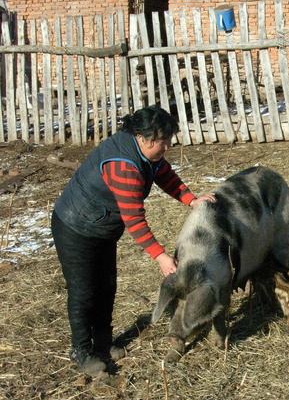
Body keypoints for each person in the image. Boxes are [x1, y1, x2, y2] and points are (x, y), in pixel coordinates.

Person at [51, 106, 214, 376]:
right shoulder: (123, 166)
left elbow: (164, 175)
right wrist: (160, 256)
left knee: (107, 286)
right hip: (75, 226)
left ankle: (103, 343)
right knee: (83, 290)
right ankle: (82, 350)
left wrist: (191, 199)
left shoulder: (146, 154)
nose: (168, 147)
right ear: (145, 138)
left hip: (102, 226)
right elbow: (134, 220)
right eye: (164, 142)